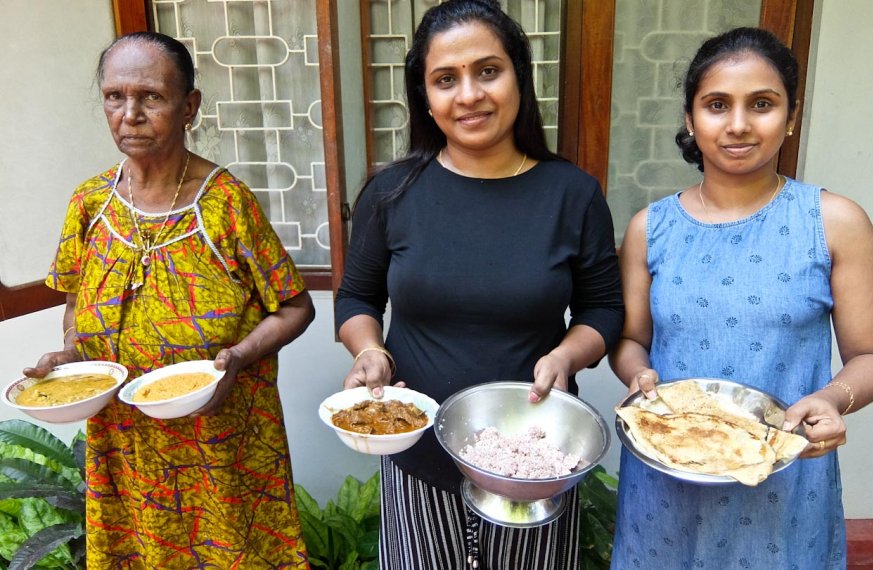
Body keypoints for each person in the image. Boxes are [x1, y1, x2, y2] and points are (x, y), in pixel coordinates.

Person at [334, 1, 624, 568]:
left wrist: (568, 354)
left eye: (487, 71)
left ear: (519, 75)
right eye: (446, 79)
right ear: (425, 96)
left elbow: (604, 310)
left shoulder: (573, 194)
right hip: (420, 453)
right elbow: (357, 298)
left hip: (535, 458)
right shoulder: (392, 193)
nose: (468, 95)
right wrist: (369, 349)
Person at [23, 32, 315, 568]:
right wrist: (71, 353)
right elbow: (74, 304)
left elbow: (296, 308)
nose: (129, 114)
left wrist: (238, 358)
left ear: (189, 107)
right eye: (115, 96)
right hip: (125, 443)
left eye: (151, 97)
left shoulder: (226, 203)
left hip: (220, 444)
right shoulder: (89, 203)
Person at [610, 27, 873, 569]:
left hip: (782, 481)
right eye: (717, 105)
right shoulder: (651, 228)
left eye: (761, 104)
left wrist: (833, 398)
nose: (738, 124)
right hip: (669, 475)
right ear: (691, 120)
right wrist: (638, 375)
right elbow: (630, 339)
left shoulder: (834, 223)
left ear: (790, 117)